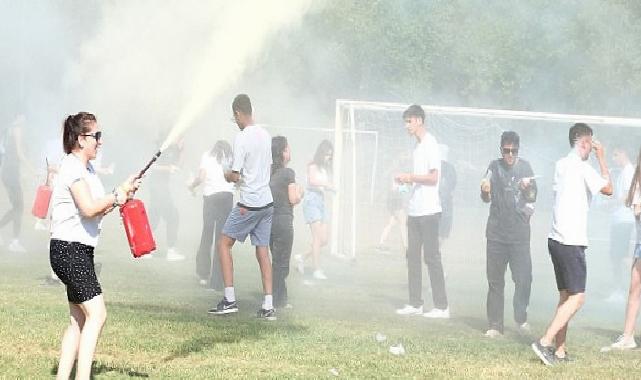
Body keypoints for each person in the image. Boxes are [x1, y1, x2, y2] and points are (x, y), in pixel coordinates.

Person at [49, 112, 139, 379]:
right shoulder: (72, 167)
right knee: (97, 315)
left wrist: (122, 194)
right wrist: (115, 195)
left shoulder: (86, 169)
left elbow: (97, 209)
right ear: (80, 139)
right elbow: (88, 208)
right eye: (95, 136)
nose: (100, 141)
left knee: (78, 321)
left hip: (77, 250)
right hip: (70, 250)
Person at [531, 123, 612, 365]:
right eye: (590, 142)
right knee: (577, 298)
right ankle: (544, 341)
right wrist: (602, 158)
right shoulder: (581, 166)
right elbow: (608, 188)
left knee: (566, 296)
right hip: (571, 240)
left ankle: (560, 351)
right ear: (583, 142)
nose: (592, 146)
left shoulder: (561, 164)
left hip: (555, 238)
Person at [208, 94, 276, 320]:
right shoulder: (265, 135)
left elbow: (235, 175)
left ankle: (229, 299)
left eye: (234, 117)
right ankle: (268, 304)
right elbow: (267, 167)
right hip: (267, 203)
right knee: (263, 251)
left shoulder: (242, 137)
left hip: (249, 203)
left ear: (238, 112)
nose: (235, 121)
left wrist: (226, 173)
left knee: (223, 244)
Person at [480, 131, 537, 338]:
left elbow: (533, 197)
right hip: (496, 234)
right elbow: (485, 196)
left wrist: (526, 188)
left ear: (518, 150)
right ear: (501, 150)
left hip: (519, 236)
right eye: (507, 151)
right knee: (495, 281)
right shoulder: (493, 167)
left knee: (524, 279)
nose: (510, 155)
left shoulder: (525, 168)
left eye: (514, 151)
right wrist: (485, 190)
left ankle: (520, 318)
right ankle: (495, 324)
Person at [394, 104, 449, 319]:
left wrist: (411, 177)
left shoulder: (430, 144)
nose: (406, 126)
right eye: (405, 122)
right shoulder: (416, 148)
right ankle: (415, 303)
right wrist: (403, 183)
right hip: (415, 210)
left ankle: (442, 306)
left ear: (418, 120)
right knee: (413, 257)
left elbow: (434, 177)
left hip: (429, 211)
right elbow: (417, 179)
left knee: (432, 257)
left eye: (409, 121)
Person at [602, 146, 641, 351]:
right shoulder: (636, 179)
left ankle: (628, 336)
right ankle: (628, 337)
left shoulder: (631, 174)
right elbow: (635, 209)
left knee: (635, 288)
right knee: (634, 288)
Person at [189, 140, 234, 289]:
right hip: (227, 197)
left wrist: (191, 185)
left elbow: (201, 177)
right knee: (222, 239)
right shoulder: (231, 156)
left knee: (207, 235)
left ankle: (203, 273)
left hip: (210, 197)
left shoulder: (207, 155)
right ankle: (218, 280)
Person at [269, 136, 303, 308]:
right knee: (281, 264)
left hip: (268, 221)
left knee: (275, 261)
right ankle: (275, 300)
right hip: (283, 221)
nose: (290, 152)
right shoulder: (288, 173)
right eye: (288, 149)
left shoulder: (269, 172)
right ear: (282, 153)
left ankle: (278, 298)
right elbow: (293, 198)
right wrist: (301, 192)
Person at [295, 140, 334, 280]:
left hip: (321, 201)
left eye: (330, 155)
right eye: (326, 154)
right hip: (312, 201)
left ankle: (302, 257)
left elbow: (325, 185)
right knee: (317, 238)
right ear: (321, 153)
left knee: (324, 240)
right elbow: (312, 181)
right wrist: (327, 184)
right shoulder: (313, 165)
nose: (328, 157)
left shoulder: (325, 168)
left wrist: (331, 188)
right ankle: (317, 269)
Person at [147, 133, 185, 261]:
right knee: (173, 216)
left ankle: (145, 249)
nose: (181, 140)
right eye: (180, 137)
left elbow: (178, 166)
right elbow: (151, 165)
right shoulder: (162, 148)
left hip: (161, 187)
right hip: (157, 187)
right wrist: (167, 168)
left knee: (154, 218)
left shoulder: (174, 150)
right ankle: (171, 250)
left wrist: (182, 150)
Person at [604, 145, 635, 302]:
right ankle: (618, 289)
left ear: (623, 153)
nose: (613, 159)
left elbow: (629, 194)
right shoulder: (623, 172)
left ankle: (621, 290)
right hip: (619, 219)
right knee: (615, 256)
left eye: (616, 155)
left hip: (624, 219)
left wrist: (612, 204)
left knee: (620, 256)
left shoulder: (629, 172)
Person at [0, 114, 32, 252]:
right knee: (19, 206)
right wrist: (32, 169)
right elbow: (19, 153)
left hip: (8, 172)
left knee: (17, 206)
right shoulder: (17, 129)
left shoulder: (7, 130)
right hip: (10, 173)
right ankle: (15, 242)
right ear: (19, 116)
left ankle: (14, 240)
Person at [438, 144, 457, 244]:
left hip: (433, 202)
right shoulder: (451, 168)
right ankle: (435, 250)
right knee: (443, 232)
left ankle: (431, 250)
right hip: (446, 203)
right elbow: (453, 185)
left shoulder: (433, 165)